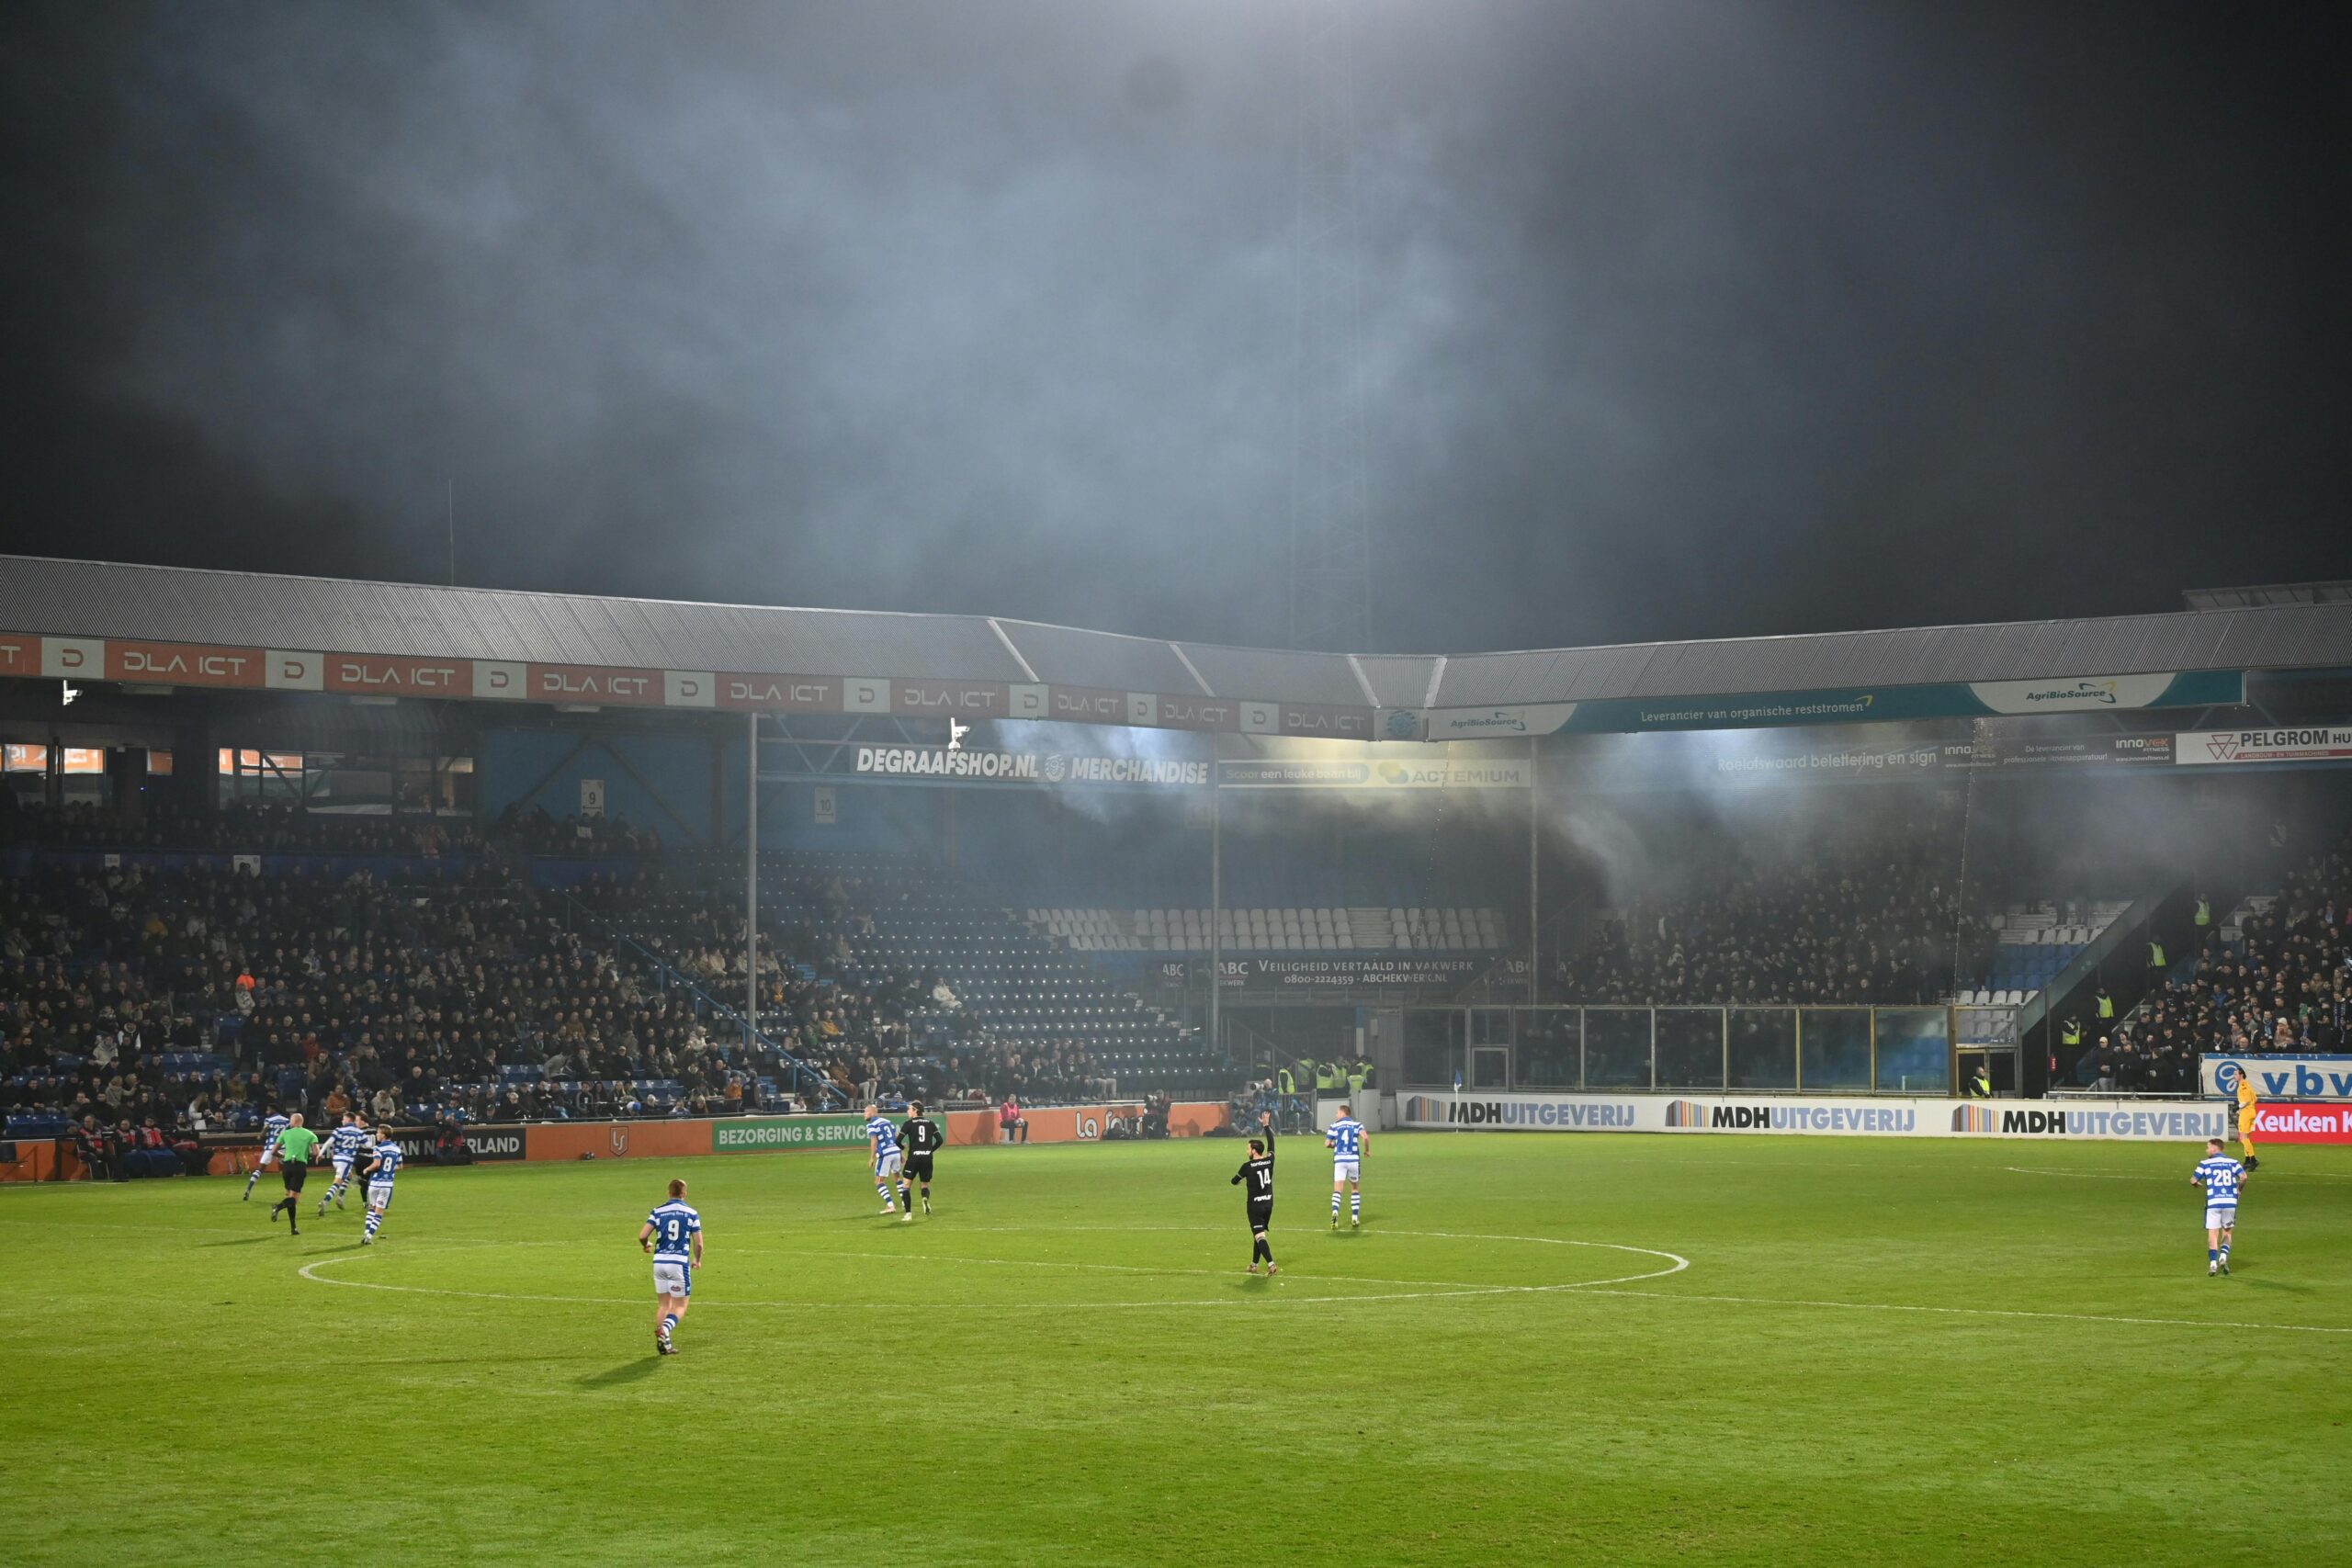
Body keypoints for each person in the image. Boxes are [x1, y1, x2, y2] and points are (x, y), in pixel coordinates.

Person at [638, 1178, 703, 1356]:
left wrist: (646, 1245)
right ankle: (665, 1331)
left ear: (668, 1193)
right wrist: (697, 1260)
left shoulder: (657, 1211)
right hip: (678, 1263)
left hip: (659, 1263)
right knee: (680, 1306)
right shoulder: (691, 1213)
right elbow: (698, 1244)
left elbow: (642, 1235)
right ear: (684, 1193)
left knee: (664, 1304)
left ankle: (664, 1343)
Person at [1231, 1111, 1277, 1275]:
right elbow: (1272, 1144)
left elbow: (1234, 1181)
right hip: (1268, 1204)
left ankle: (1271, 1264)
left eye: (1248, 1148)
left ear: (1254, 1150)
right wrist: (1266, 1125)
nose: (1246, 1151)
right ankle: (1254, 1264)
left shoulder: (1247, 1167)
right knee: (1258, 1233)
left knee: (1259, 1236)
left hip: (1255, 1206)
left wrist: (1240, 1181)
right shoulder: (1269, 1160)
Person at [2191, 1137, 2246, 1276]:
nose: (2206, 1149)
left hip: (2213, 1202)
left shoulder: (2205, 1163)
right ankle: (2223, 1257)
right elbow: (2244, 1177)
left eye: (2207, 1147)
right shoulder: (2234, 1162)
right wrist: (2239, 1190)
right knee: (2227, 1232)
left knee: (2213, 1234)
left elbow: (2193, 1179)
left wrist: (2195, 1184)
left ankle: (2213, 1264)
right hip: (2230, 1202)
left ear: (2214, 1148)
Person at [266, 1114, 321, 1235]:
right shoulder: (310, 1134)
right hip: (299, 1166)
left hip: (286, 1167)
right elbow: (316, 1152)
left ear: (293, 1121)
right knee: (294, 1199)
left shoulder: (285, 1133)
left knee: (291, 1197)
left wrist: (284, 1156)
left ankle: (293, 1228)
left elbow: (273, 1151)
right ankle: (278, 1207)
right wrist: (307, 1155)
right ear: (301, 1121)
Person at [318, 1111, 369, 1216]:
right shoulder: (359, 1132)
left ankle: (341, 1198)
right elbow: (368, 1145)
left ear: (348, 1120)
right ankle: (325, 1201)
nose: (342, 1120)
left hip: (336, 1159)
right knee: (337, 1183)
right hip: (346, 1160)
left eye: (343, 1119)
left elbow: (328, 1143)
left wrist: (320, 1153)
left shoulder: (338, 1130)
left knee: (347, 1177)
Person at [898, 1100, 942, 1219]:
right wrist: (930, 1150)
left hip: (914, 1158)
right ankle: (925, 1199)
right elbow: (940, 1140)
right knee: (925, 1184)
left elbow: (897, 1141)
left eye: (909, 1109)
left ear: (915, 1111)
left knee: (906, 1185)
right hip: (927, 1158)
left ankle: (908, 1214)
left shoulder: (909, 1123)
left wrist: (903, 1147)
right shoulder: (930, 1123)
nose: (908, 1111)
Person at [359, 1126, 402, 1246]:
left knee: (372, 1209)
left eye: (378, 1133)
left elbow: (376, 1164)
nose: (377, 1135)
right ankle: (369, 1235)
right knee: (379, 1211)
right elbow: (400, 1166)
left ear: (383, 1135)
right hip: (387, 1185)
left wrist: (367, 1169)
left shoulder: (378, 1148)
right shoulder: (397, 1149)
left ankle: (367, 1232)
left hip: (374, 1183)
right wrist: (388, 1171)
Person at [1327, 1103, 1366, 1230]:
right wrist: (1367, 1150)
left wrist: (1335, 1145)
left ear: (1343, 1113)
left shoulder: (1334, 1126)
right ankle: (1354, 1218)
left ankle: (1335, 1213)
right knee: (1354, 1188)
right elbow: (1365, 1137)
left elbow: (1327, 1143)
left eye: (1337, 1113)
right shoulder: (1357, 1125)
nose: (1336, 1115)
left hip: (1340, 1160)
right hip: (1353, 1159)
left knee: (1338, 1189)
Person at [243, 1108, 290, 1201]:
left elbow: (265, 1129)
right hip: (283, 1145)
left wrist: (261, 1135)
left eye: (268, 1110)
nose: (267, 1112)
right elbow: (289, 1131)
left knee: (260, 1169)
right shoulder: (286, 1120)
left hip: (270, 1146)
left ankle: (248, 1189)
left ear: (273, 1110)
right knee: (286, 1168)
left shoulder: (269, 1120)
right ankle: (288, 1189)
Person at [865, 1102, 904, 1215]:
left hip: (885, 1153)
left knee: (878, 1181)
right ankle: (905, 1202)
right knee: (897, 1178)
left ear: (872, 1113)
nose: (864, 1115)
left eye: (865, 1112)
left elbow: (874, 1141)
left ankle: (890, 1205)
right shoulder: (888, 1122)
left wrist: (872, 1158)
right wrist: (901, 1154)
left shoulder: (872, 1125)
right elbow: (896, 1138)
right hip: (895, 1151)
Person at [2234, 1071, 2262, 1172]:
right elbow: (2255, 1099)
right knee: (2245, 1138)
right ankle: (2247, 1161)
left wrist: (2238, 1107)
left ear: (2241, 1075)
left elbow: (2245, 1101)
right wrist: (2240, 1109)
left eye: (2235, 1074)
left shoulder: (2243, 1085)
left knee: (2243, 1137)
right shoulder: (2248, 1084)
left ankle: (2253, 1160)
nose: (2234, 1076)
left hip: (2246, 1113)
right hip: (2250, 1112)